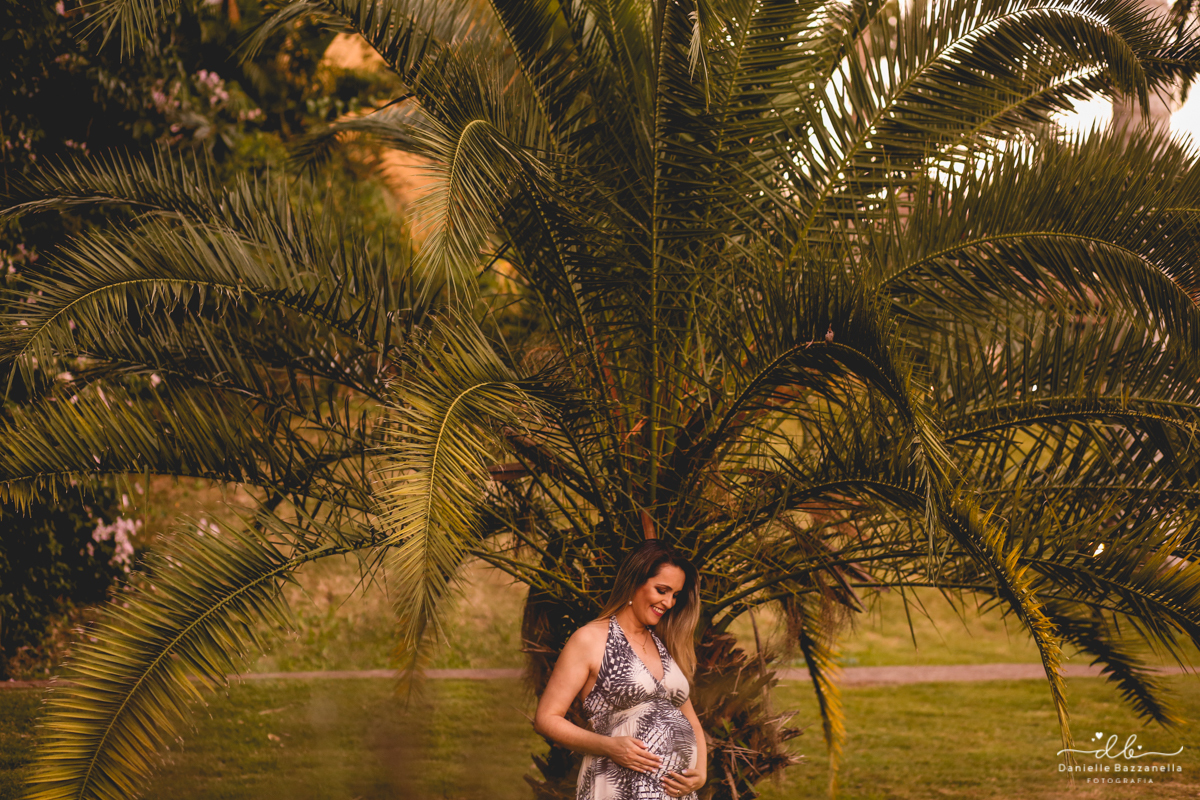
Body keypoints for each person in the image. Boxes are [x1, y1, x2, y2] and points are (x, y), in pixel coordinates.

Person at [534, 540, 708, 800]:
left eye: (675, 595)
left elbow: (691, 719)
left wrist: (701, 772)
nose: (669, 602)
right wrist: (609, 746)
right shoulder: (590, 639)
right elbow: (546, 718)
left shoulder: (663, 643)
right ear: (634, 582)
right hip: (618, 786)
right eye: (662, 590)